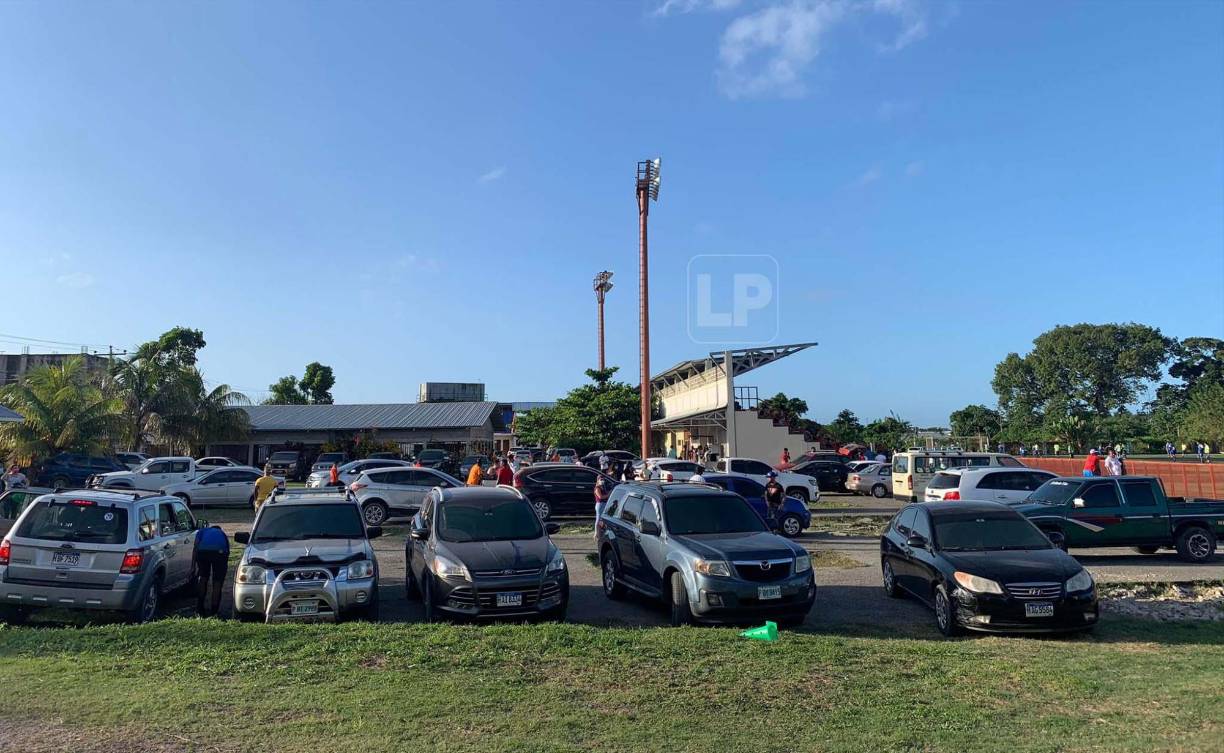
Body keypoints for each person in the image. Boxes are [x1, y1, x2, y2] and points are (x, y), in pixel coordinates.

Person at [193, 522, 230, 617]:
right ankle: (214, 611)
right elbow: (227, 551)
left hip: (203, 551)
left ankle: (199, 608)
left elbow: (196, 547)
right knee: (217, 583)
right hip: (220, 553)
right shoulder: (222, 534)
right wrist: (222, 571)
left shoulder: (202, 531)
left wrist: (193, 566)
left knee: (203, 577)